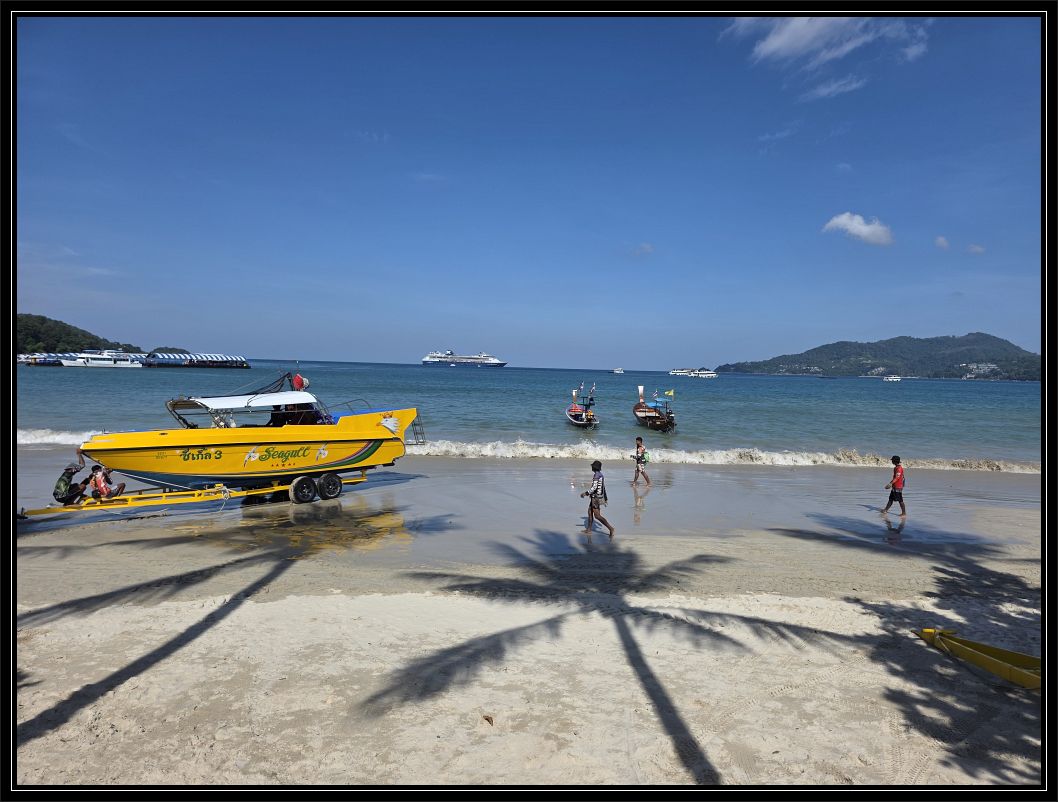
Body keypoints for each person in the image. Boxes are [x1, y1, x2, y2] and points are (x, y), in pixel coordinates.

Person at [580, 459, 615, 540]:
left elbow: (594, 488)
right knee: (590, 512)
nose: (591, 467)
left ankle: (611, 529)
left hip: (596, 498)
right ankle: (589, 529)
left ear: (594, 467)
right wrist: (605, 497)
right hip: (595, 496)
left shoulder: (596, 475)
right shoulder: (600, 474)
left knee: (597, 516)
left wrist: (585, 493)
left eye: (592, 466)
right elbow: (603, 487)